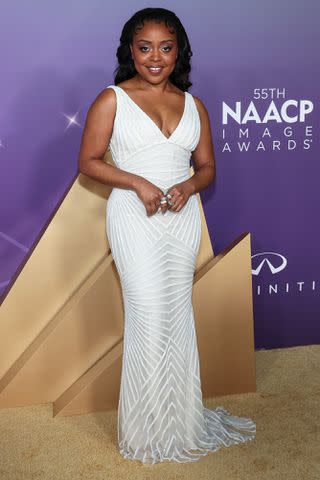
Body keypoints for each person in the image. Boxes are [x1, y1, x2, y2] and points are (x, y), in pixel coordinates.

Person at [78, 7, 256, 464]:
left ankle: (181, 419)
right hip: (134, 218)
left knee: (176, 314)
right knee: (148, 314)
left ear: (179, 51)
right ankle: (146, 425)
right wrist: (137, 182)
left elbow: (208, 168)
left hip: (180, 219)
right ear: (130, 51)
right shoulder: (111, 99)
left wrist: (187, 187)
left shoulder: (194, 104)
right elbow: (90, 161)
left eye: (165, 47)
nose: (155, 57)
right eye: (145, 48)